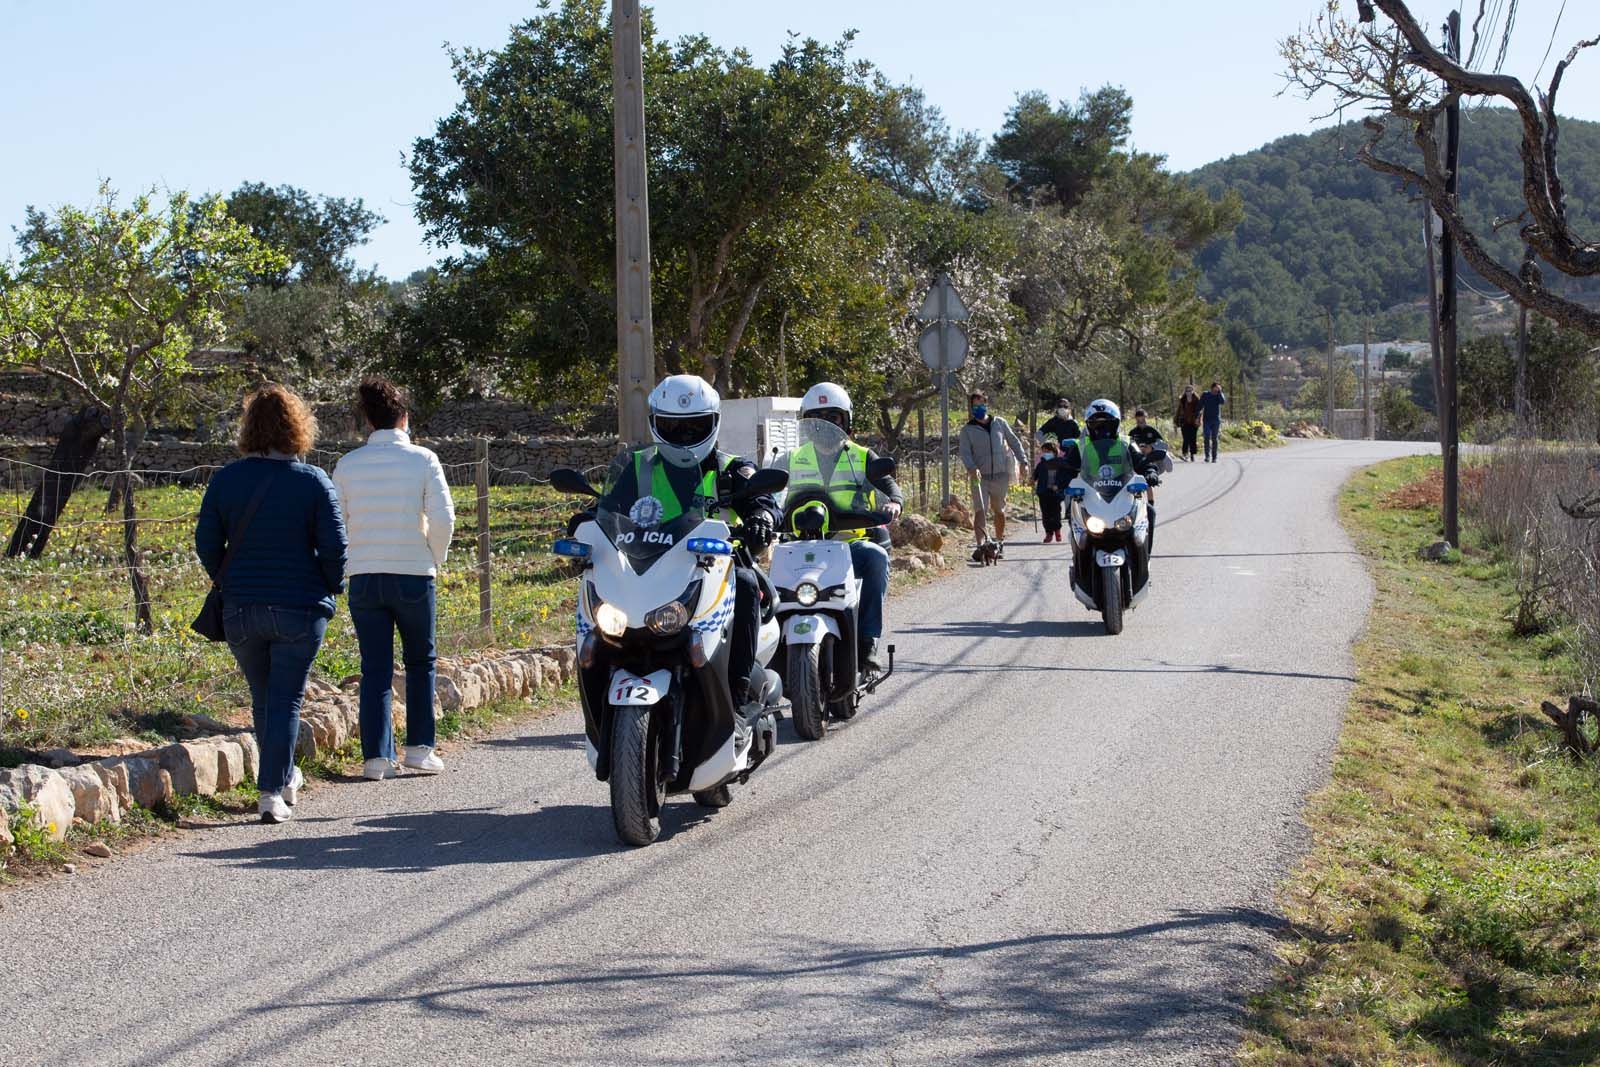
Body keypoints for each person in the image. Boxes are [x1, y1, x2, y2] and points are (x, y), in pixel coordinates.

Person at [195, 385, 346, 824]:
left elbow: (206, 542)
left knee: (265, 699)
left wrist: (229, 578)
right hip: (299, 606)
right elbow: (335, 547)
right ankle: (272, 790)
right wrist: (329, 587)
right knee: (286, 700)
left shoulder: (226, 479)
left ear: (248, 428)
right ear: (299, 426)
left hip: (242, 608)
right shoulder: (313, 481)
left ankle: (283, 775)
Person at [602, 374, 778, 705]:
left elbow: (764, 502)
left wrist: (761, 519)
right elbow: (609, 507)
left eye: (695, 427)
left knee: (746, 582)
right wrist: (586, 520)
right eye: (673, 427)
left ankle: (737, 692)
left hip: (717, 570)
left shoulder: (732, 470)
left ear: (713, 423)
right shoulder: (638, 467)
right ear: (655, 424)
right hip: (649, 568)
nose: (684, 436)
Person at [332, 378, 456, 782]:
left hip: (365, 575)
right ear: (405, 417)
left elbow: (338, 525)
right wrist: (433, 556)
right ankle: (420, 749)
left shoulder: (347, 465)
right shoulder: (424, 460)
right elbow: (443, 518)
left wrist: (351, 561)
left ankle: (376, 758)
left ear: (368, 421)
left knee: (375, 668)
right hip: (413, 573)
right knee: (420, 661)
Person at [774, 382, 902, 670]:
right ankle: (773, 653)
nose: (825, 425)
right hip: (801, 548)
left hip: (849, 547)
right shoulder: (791, 458)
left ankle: (868, 641)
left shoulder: (862, 456)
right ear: (805, 425)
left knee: (876, 558)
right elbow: (769, 495)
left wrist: (894, 502)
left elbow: (889, 485)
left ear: (846, 421)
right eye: (817, 419)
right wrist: (762, 510)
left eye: (833, 418)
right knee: (762, 581)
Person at [1056, 399, 1166, 552]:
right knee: (1074, 514)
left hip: (1122, 494)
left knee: (1149, 511)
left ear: (1116, 424)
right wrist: (1061, 481)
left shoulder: (1126, 442)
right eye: (1096, 424)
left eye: (1107, 424)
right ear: (1088, 424)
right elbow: (1067, 466)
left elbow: (1141, 461)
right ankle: (1078, 559)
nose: (1102, 428)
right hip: (1090, 496)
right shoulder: (1080, 445)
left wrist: (1150, 471)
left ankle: (1144, 556)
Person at [957, 389, 1027, 560]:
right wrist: (972, 468)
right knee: (980, 510)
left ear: (986, 404)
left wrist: (1024, 461)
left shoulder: (1000, 423)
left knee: (999, 511)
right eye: (974, 406)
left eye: (981, 404)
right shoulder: (967, 430)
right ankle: (981, 546)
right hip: (978, 476)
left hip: (1000, 475)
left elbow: (1014, 442)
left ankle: (999, 542)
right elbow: (965, 452)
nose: (978, 408)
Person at [1032, 438, 1071, 543]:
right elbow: (1035, 476)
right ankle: (1049, 533)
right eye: (1044, 451)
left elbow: (1065, 477)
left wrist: (1058, 486)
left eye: (1048, 451)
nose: (1045, 453)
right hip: (1043, 492)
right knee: (1046, 514)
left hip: (1056, 493)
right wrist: (1032, 479)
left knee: (1056, 513)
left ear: (1054, 452)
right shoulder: (1041, 464)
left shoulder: (1061, 463)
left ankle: (1057, 530)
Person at [1200, 381, 1227, 462]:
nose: (1218, 389)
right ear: (1212, 387)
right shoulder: (1205, 394)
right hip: (1206, 420)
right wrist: (1197, 415)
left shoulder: (1219, 395)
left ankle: (1214, 457)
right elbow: (1200, 405)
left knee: (1214, 438)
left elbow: (1222, 402)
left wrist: (1220, 392)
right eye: (1217, 387)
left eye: (1219, 388)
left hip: (1216, 420)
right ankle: (1207, 456)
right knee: (1207, 437)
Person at [1175, 385, 1201, 462]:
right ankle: (1185, 454)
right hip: (1184, 422)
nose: (1188, 392)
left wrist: (1198, 420)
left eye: (1190, 391)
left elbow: (1200, 411)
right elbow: (1179, 411)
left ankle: (1192, 454)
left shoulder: (1197, 399)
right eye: (1187, 391)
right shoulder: (1182, 400)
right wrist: (1176, 420)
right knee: (1185, 438)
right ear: (1185, 392)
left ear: (1193, 391)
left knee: (1193, 438)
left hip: (1194, 422)